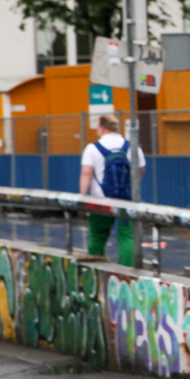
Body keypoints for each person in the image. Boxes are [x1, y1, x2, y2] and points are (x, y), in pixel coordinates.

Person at [79, 114, 145, 266]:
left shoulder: (92, 148)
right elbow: (141, 169)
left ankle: (95, 267)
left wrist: (83, 198)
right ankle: (127, 274)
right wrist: (132, 189)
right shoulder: (132, 146)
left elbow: (86, 173)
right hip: (126, 199)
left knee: (97, 235)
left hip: (99, 200)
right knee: (127, 237)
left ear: (102, 128)